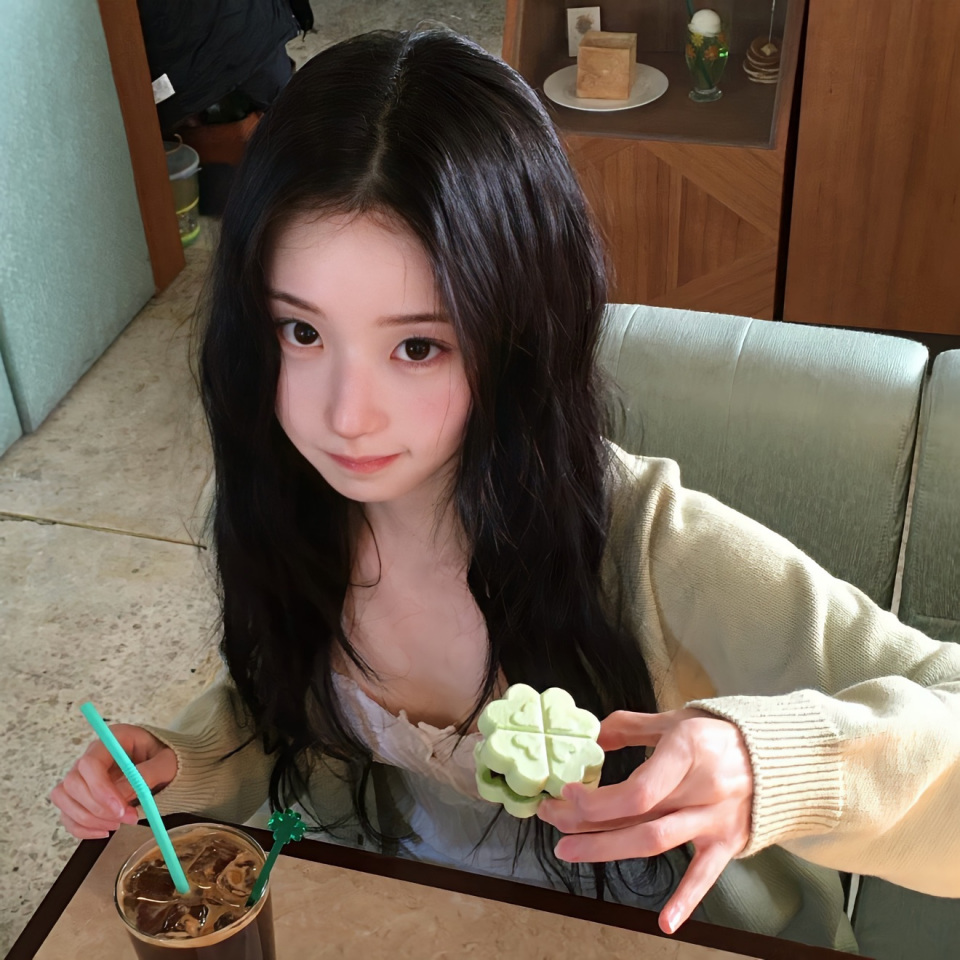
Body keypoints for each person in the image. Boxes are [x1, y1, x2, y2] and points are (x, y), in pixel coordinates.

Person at [50, 29, 960, 952]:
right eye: (302, 333)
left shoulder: (648, 547)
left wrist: (770, 764)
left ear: (519, 335)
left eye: (417, 347)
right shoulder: (292, 507)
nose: (345, 416)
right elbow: (289, 709)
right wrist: (185, 761)